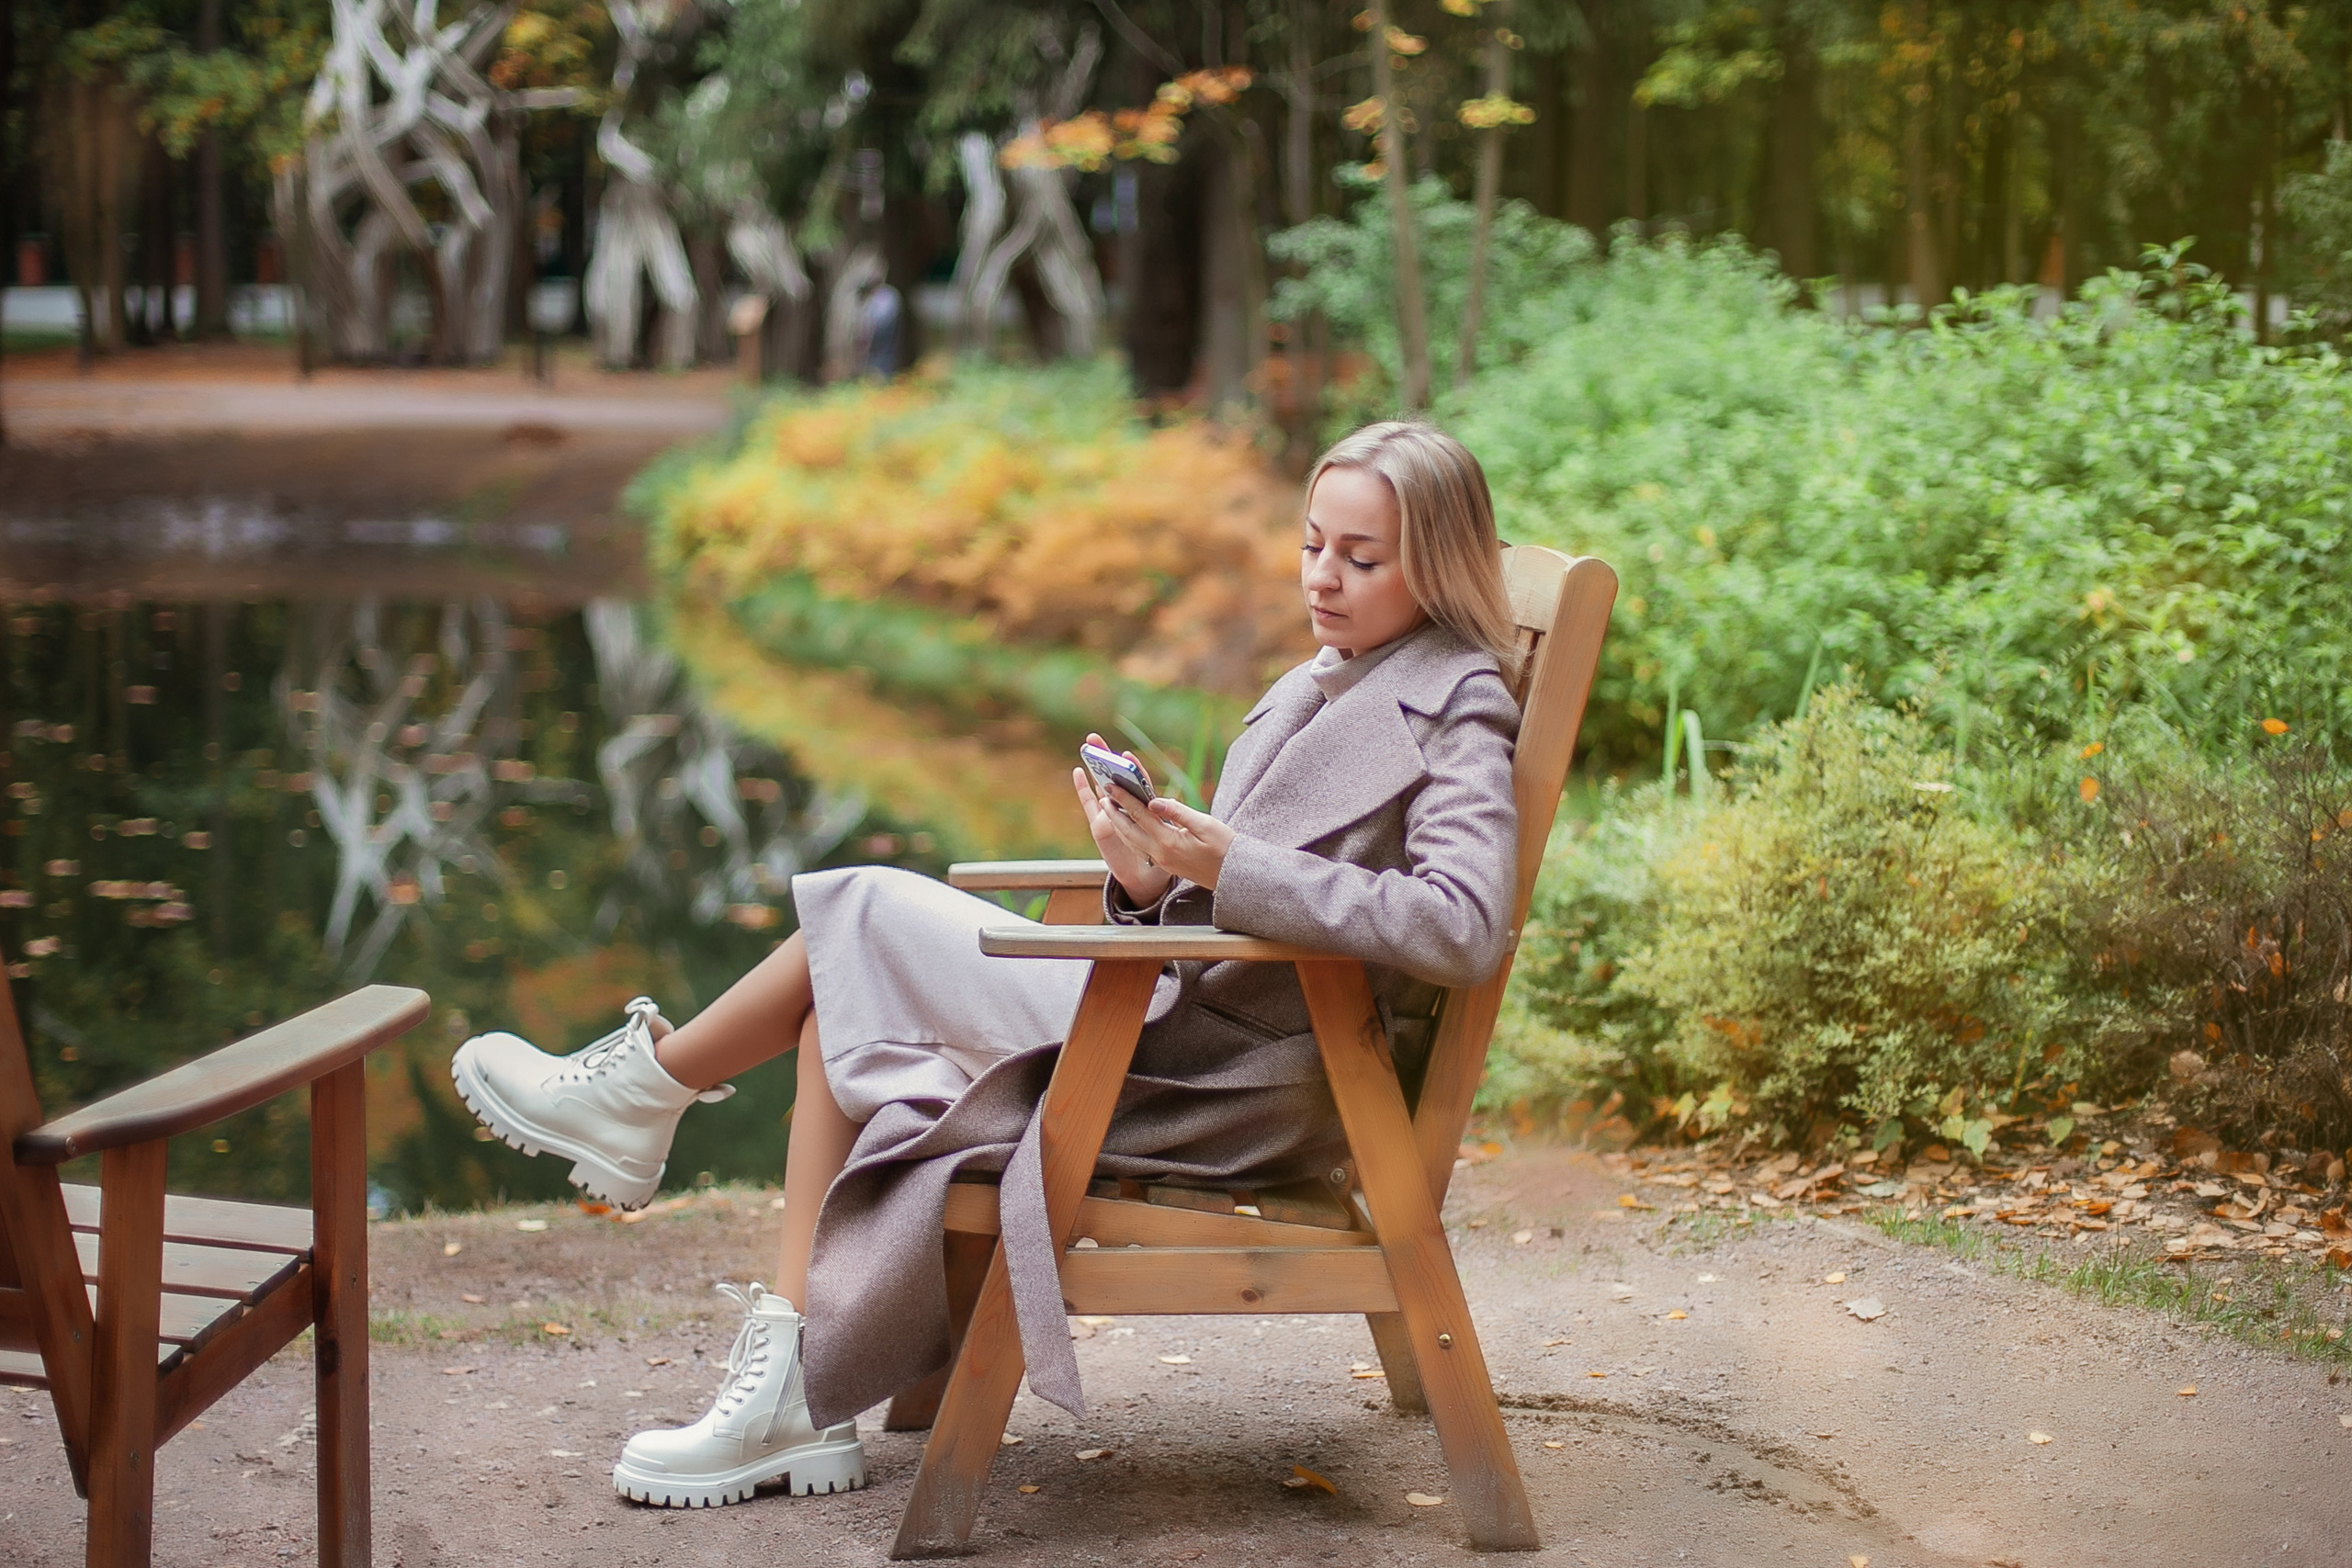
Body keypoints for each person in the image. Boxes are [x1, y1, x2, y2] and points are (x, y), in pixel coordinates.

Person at [449, 420, 1526, 1510]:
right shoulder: (1324, 681)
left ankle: (646, 1092)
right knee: (839, 1000)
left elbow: (1465, 925)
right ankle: (776, 1377)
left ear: (1433, 568)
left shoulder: (1458, 706)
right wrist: (1146, 881)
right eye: (1311, 546)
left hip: (1230, 1078)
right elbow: (1244, 896)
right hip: (1179, 1019)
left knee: (860, 907)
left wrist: (1229, 865)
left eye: (1361, 558)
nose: (1323, 579)